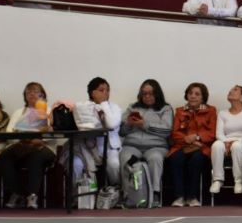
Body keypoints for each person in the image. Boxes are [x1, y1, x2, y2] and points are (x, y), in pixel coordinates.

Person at [0, 82, 55, 209]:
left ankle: (32, 195)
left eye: (35, 91)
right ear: (25, 96)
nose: (32, 94)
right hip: (21, 145)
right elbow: (9, 132)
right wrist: (26, 141)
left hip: (44, 147)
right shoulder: (19, 112)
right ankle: (18, 192)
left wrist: (41, 140)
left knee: (36, 157)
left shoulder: (50, 111)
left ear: (42, 95)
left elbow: (56, 135)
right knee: (4, 156)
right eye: (29, 92)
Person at [119, 79, 173, 208]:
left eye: (151, 93)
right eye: (144, 94)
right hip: (133, 146)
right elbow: (121, 131)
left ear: (157, 94)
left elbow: (167, 130)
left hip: (156, 146)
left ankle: (154, 193)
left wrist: (145, 125)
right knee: (125, 158)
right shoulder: (133, 107)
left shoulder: (166, 109)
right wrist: (130, 124)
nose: (147, 96)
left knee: (155, 159)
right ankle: (127, 194)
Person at [65, 77, 123, 187]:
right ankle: (75, 197)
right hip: (87, 148)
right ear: (92, 93)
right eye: (101, 90)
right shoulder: (83, 107)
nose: (105, 93)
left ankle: (115, 189)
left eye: (107, 90)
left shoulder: (114, 107)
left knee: (114, 164)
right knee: (75, 163)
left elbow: (111, 124)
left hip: (110, 148)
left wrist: (104, 104)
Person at [168, 83, 217, 207]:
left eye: (197, 94)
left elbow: (212, 132)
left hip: (202, 146)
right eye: (190, 93)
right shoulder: (180, 111)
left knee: (197, 160)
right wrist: (187, 139)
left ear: (203, 97)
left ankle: (192, 197)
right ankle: (179, 197)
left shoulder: (211, 111)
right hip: (182, 145)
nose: (193, 96)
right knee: (175, 159)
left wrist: (197, 137)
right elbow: (175, 133)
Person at [210, 85, 242, 197]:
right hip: (226, 143)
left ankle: (238, 181)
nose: (230, 91)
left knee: (237, 146)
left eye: (235, 90)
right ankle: (218, 180)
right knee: (216, 145)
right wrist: (226, 142)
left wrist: (235, 142)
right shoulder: (222, 113)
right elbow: (219, 134)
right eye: (230, 89)